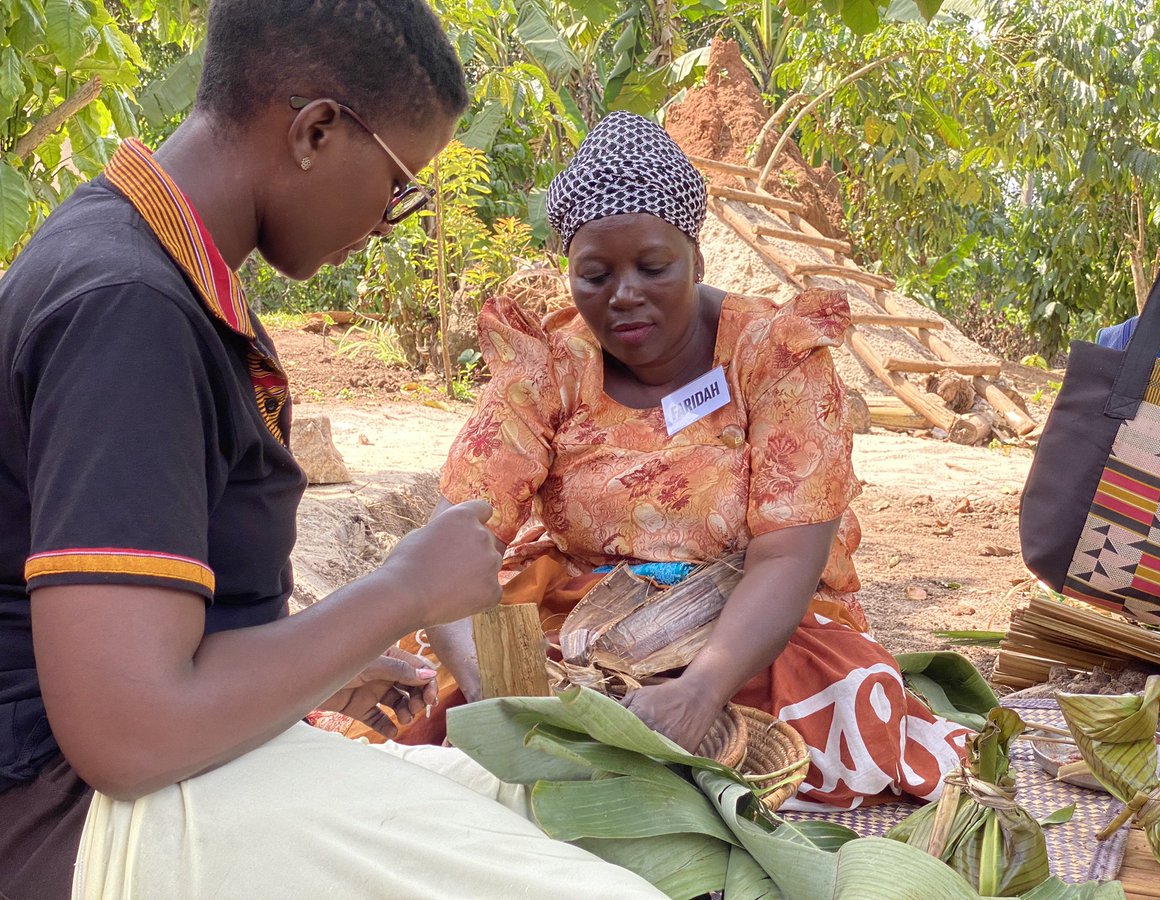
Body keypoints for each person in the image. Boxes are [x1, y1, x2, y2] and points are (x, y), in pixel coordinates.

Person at [0, 4, 668, 898]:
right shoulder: (128, 310)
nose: (391, 219)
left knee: (568, 810)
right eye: (400, 184)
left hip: (143, 780)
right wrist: (400, 591)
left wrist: (321, 658)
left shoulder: (155, 274)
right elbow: (129, 731)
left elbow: (158, 643)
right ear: (316, 131)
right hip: (77, 826)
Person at [402, 111, 970, 811]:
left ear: (696, 258)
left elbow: (788, 558)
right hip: (580, 625)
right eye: (595, 274)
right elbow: (453, 537)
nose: (624, 294)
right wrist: (494, 687)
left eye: (653, 266)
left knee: (838, 717)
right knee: (437, 713)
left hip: (749, 630)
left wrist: (704, 688)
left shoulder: (774, 354)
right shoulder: (548, 366)